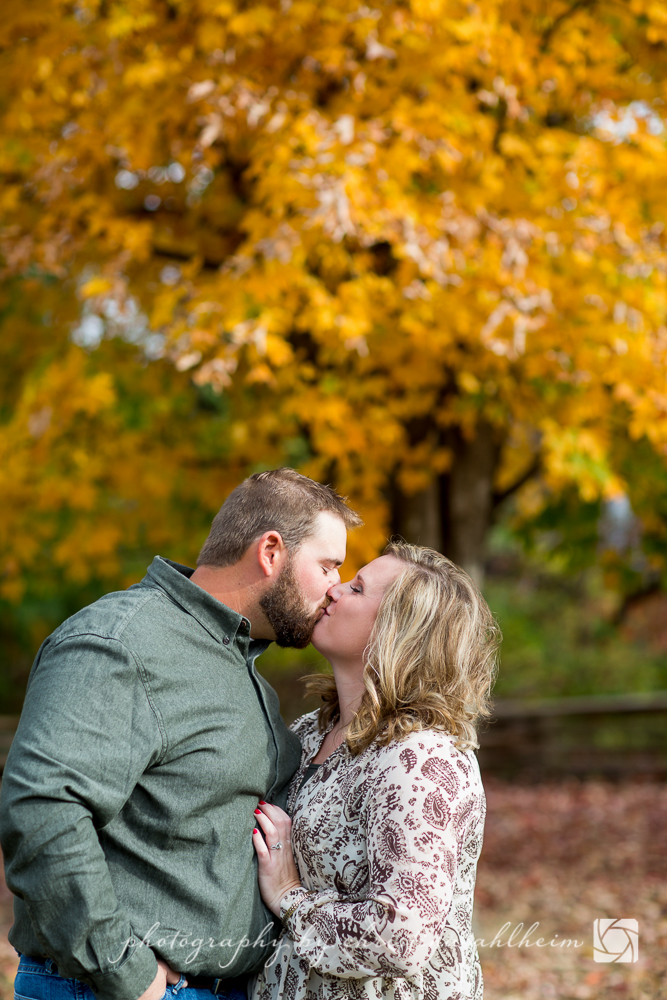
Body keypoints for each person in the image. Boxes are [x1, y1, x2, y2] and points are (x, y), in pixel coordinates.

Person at [0, 469, 362, 1000]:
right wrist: (126, 973)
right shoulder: (120, 642)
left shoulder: (239, 666)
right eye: (328, 565)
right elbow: (42, 808)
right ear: (270, 552)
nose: (335, 587)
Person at [250, 541, 500, 1000]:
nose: (334, 590)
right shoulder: (309, 733)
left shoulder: (421, 761)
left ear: (397, 631)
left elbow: (401, 936)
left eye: (358, 588)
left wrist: (291, 898)